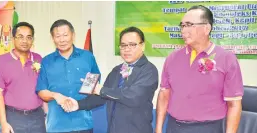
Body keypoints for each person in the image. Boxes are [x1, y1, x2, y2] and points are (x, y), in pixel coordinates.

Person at [155, 5, 243, 133]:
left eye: (189, 25)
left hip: (207, 128)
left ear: (206, 28)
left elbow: (234, 104)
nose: (184, 31)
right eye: (182, 25)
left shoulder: (227, 59)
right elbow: (164, 95)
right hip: (174, 126)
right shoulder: (172, 58)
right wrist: (158, 129)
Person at [63, 26, 159, 133]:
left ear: (142, 46)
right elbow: (102, 97)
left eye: (132, 45)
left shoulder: (149, 70)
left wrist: (102, 90)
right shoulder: (117, 70)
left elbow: (133, 97)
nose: (127, 49)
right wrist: (78, 104)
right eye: (123, 45)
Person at [36, 19, 101, 133]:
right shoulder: (47, 61)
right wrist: (56, 95)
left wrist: (81, 98)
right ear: (53, 38)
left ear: (73, 35)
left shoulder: (87, 57)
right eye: (57, 36)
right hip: (57, 126)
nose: (62, 40)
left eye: (65, 35)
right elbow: (41, 91)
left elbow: (95, 86)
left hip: (83, 124)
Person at [0, 22, 46, 133]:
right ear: (13, 39)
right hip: (13, 117)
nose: (25, 41)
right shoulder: (3, 61)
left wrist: (46, 116)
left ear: (32, 40)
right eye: (20, 37)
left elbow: (43, 89)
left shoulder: (38, 59)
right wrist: (3, 123)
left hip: (37, 117)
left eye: (29, 37)